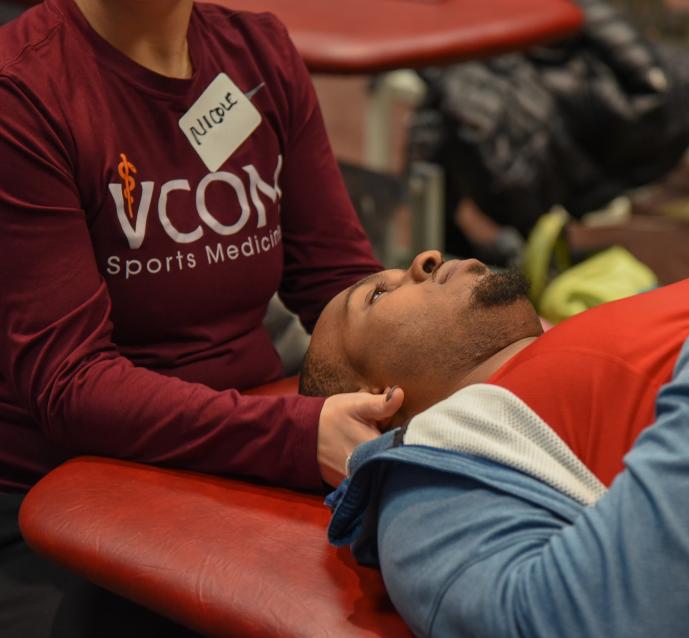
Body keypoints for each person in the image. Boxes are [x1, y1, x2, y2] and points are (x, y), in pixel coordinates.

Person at [0, 0, 403, 634]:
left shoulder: (256, 53)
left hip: (247, 459)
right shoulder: (22, 93)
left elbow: (331, 279)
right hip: (63, 493)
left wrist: (440, 357)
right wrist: (296, 437)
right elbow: (72, 387)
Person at [303, 191, 689, 637]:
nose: (424, 260)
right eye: (375, 297)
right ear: (374, 400)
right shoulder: (430, 479)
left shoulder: (576, 347)